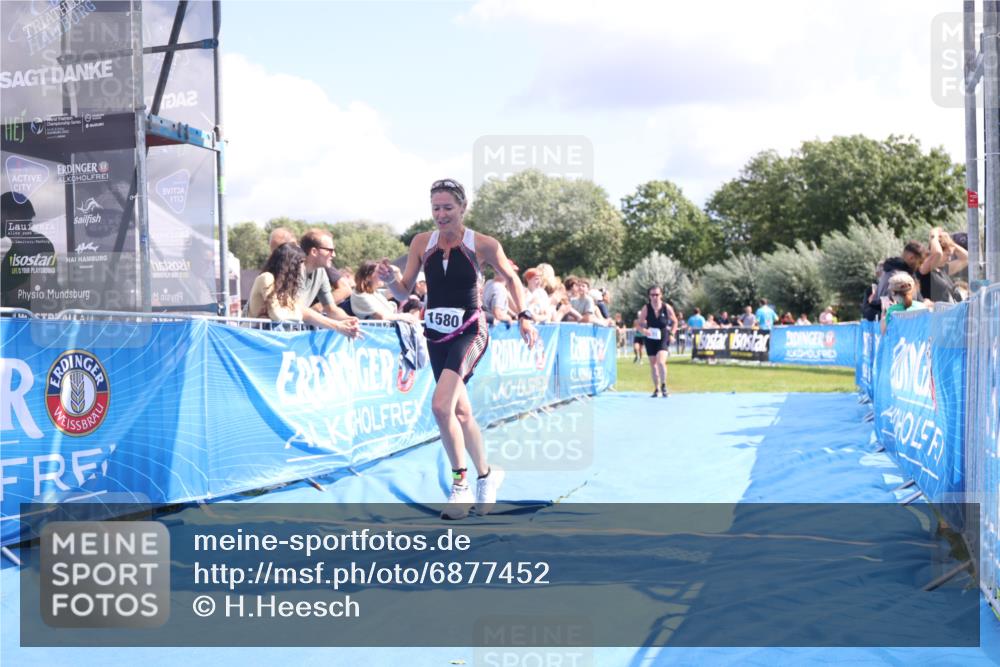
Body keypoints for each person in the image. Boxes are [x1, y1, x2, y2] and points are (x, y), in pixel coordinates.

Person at [378, 178, 537, 520]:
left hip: (470, 330)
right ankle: (486, 475)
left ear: (463, 208)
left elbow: (511, 279)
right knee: (460, 413)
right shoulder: (422, 242)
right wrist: (390, 279)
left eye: (448, 207)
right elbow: (405, 292)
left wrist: (524, 314)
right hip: (435, 334)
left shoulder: (483, 244)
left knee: (439, 406)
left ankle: (459, 485)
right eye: (435, 208)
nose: (441, 214)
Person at [297, 230, 361, 337]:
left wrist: (349, 320)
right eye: (330, 250)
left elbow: (331, 309)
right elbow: (298, 309)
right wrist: (337, 326)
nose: (334, 255)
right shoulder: (293, 271)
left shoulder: (321, 272)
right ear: (314, 252)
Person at [247, 243, 307, 327]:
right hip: (253, 335)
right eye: (302, 262)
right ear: (292, 264)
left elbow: (299, 315)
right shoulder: (267, 278)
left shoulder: (287, 287)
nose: (304, 266)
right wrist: (291, 313)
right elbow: (277, 315)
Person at [636, 285, 677, 397]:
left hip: (663, 336)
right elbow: (638, 324)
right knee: (653, 364)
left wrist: (672, 334)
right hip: (650, 338)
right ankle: (656, 388)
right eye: (652, 295)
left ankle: (664, 386)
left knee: (661, 362)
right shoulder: (646, 308)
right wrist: (643, 331)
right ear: (649, 296)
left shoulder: (666, 307)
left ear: (661, 295)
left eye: (657, 295)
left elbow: (675, 321)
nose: (655, 297)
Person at [350, 260, 419, 322]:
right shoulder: (360, 296)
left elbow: (402, 292)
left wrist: (397, 271)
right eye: (379, 272)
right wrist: (405, 316)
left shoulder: (375, 292)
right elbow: (381, 317)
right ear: (368, 277)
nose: (383, 274)